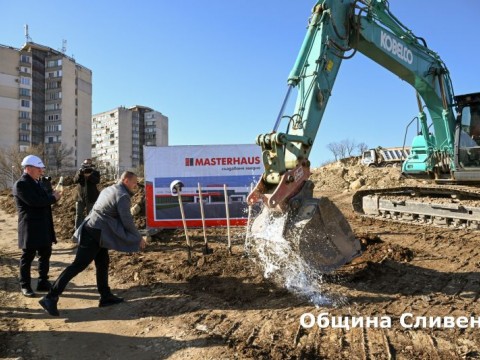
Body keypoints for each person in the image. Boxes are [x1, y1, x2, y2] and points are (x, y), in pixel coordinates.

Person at [39, 171, 147, 316]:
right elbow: (127, 220)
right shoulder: (123, 195)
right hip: (95, 232)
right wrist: (138, 237)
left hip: (95, 229)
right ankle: (50, 297)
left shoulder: (110, 189)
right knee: (78, 265)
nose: (135, 186)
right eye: (134, 182)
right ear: (126, 180)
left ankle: (105, 296)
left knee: (103, 262)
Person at [13, 155, 62, 297]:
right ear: (28, 168)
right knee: (27, 256)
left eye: (42, 168)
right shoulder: (21, 184)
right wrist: (53, 198)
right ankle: (25, 285)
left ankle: (43, 281)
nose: (41, 171)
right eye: (39, 168)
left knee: (45, 253)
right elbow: (34, 202)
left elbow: (43, 199)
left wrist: (50, 194)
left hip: (43, 224)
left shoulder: (37, 182)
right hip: (30, 226)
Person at [73, 158, 100, 229]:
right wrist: (80, 174)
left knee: (90, 215)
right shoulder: (79, 171)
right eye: (86, 163)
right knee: (79, 215)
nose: (87, 165)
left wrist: (90, 176)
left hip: (91, 197)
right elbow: (75, 180)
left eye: (89, 164)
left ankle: (89, 231)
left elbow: (97, 181)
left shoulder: (95, 172)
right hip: (80, 197)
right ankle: (77, 232)